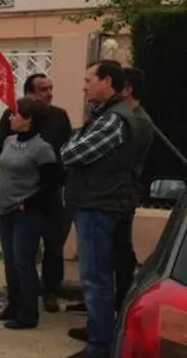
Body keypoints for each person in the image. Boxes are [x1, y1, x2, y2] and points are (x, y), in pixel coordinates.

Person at [61, 60, 138, 358]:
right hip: (97, 203)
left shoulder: (114, 119)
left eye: (88, 80)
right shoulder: (105, 114)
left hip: (98, 206)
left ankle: (98, 347)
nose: (84, 86)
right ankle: (98, 336)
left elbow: (71, 152)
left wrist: (71, 143)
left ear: (107, 81)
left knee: (96, 280)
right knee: (98, 279)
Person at [0, 73, 72, 312]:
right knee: (19, 255)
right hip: (17, 196)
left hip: (48, 192)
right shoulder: (12, 116)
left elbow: (67, 151)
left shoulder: (59, 116)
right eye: (43, 89)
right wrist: (21, 147)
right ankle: (19, 298)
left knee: (53, 245)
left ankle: (50, 291)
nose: (49, 93)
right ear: (29, 94)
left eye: (50, 88)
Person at [114, 67, 153, 311]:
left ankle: (120, 304)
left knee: (119, 251)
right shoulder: (127, 117)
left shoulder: (136, 121)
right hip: (118, 193)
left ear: (127, 89)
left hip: (120, 195)